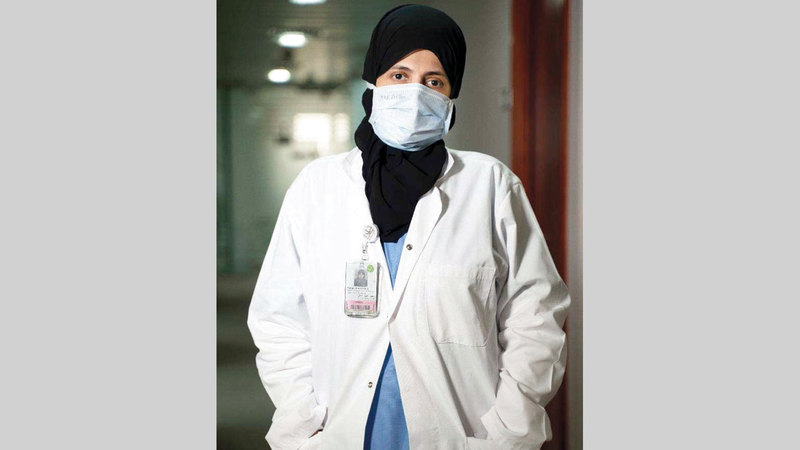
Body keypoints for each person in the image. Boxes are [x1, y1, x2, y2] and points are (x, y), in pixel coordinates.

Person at [248, 4, 570, 450]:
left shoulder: (489, 185)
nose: (415, 92)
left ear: (451, 96)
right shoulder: (317, 187)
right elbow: (279, 319)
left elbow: (536, 315)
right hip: (340, 434)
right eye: (399, 75)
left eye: (434, 81)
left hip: (460, 436)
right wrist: (303, 422)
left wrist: (508, 430)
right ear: (372, 83)